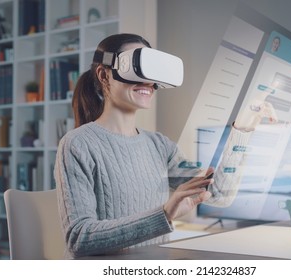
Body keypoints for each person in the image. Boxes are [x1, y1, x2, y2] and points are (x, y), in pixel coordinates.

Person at [54, 33, 277, 258]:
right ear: (104, 75)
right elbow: (79, 238)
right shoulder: (78, 144)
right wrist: (164, 214)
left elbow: (218, 194)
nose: (148, 82)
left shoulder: (160, 146)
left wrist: (243, 130)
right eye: (136, 67)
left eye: (152, 71)